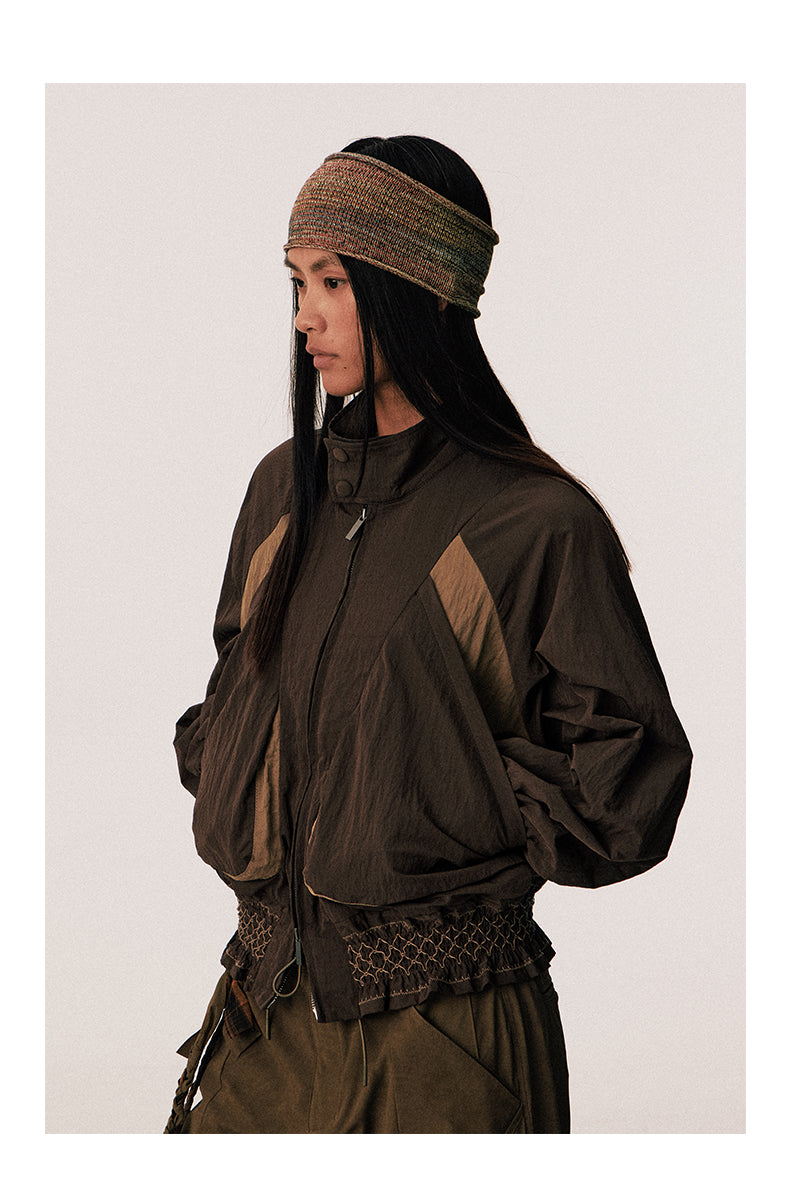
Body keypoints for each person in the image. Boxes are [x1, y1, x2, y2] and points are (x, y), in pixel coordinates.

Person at [164, 135, 692, 1134]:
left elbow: (627, 786)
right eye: (296, 280)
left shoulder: (535, 524)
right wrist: (236, 756)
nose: (304, 314)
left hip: (446, 1039)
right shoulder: (284, 492)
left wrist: (445, 790)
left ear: (418, 289)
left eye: (332, 281)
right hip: (261, 1021)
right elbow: (235, 690)